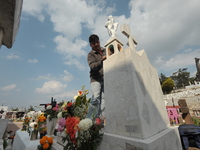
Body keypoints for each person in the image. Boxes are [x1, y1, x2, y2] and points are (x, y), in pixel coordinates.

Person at [87, 34, 106, 118]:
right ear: (91, 45)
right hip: (96, 80)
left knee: (104, 101)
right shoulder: (90, 54)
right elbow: (92, 66)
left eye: (97, 42)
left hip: (106, 79)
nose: (96, 44)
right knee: (96, 99)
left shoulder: (106, 50)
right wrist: (101, 62)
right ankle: (90, 122)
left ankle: (101, 123)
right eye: (94, 43)